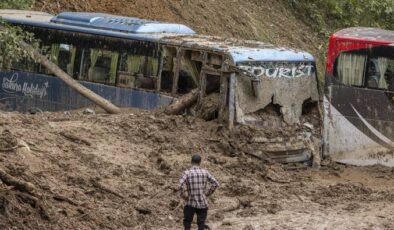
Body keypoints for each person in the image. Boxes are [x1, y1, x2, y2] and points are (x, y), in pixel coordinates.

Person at [179, 154, 219, 230]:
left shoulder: (187, 173)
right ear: (200, 162)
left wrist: (183, 196)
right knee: (201, 223)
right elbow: (215, 183)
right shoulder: (205, 172)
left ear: (191, 162)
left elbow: (180, 185)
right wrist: (207, 194)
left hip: (191, 202)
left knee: (187, 222)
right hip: (203, 203)